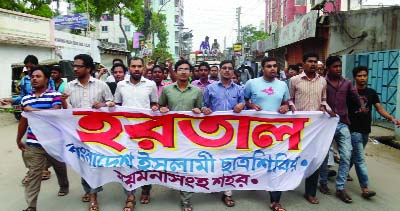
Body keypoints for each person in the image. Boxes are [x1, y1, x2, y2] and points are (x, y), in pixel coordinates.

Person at [61, 54, 114, 211]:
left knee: (94, 164)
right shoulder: (69, 86)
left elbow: (112, 104)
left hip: (98, 133)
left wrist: (103, 105)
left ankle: (93, 195)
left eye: (79, 66)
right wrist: (63, 101)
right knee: (83, 164)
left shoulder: (101, 85)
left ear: (89, 68)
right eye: (74, 66)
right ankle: (90, 191)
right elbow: (67, 111)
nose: (75, 69)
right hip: (77, 133)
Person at [17, 66, 69, 211]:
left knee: (60, 168)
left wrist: (33, 110)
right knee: (34, 174)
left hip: (54, 142)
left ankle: (64, 185)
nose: (34, 79)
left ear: (46, 79)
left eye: (38, 76)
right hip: (34, 143)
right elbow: (24, 120)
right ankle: (31, 206)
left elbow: (54, 112)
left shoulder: (54, 95)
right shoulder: (26, 99)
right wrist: (19, 138)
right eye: (32, 76)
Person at [243, 57, 290, 211]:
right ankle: (252, 181)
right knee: (254, 161)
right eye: (269, 66)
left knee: (276, 164)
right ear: (263, 69)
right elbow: (244, 100)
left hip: (277, 133)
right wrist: (251, 104)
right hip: (255, 132)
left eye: (275, 66)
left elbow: (286, 102)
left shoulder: (283, 85)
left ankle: (275, 200)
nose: (272, 69)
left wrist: (285, 107)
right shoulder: (252, 83)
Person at [348, 66, 400, 199]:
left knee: (355, 155)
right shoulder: (350, 92)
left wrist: (392, 119)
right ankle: (365, 188)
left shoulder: (371, 92)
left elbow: (379, 109)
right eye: (359, 76)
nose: (362, 78)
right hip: (354, 130)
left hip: (366, 130)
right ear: (355, 77)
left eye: (365, 75)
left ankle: (344, 171)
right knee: (360, 158)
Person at [289, 52, 334, 204]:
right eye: (310, 61)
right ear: (303, 63)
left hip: (315, 128)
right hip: (298, 127)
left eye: (315, 62)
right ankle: (288, 183)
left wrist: (327, 109)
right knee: (293, 157)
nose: (313, 64)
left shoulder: (322, 81)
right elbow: (290, 100)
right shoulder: (294, 80)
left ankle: (310, 192)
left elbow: (323, 101)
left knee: (313, 159)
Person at [114, 57, 158, 210]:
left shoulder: (150, 84)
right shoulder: (120, 85)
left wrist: (155, 107)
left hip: (146, 131)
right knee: (127, 163)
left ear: (143, 68)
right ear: (129, 68)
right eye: (134, 66)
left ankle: (146, 190)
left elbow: (154, 103)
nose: (137, 69)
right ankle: (130, 194)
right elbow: (117, 105)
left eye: (139, 66)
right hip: (126, 133)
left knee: (146, 162)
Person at [158, 60, 203, 211]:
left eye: (186, 69)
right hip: (171, 135)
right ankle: (174, 184)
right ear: (176, 72)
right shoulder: (167, 89)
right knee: (172, 165)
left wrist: (200, 111)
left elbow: (201, 110)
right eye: (180, 69)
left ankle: (186, 200)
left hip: (190, 136)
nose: (183, 72)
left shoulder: (197, 91)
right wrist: (162, 108)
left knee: (187, 167)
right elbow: (160, 106)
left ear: (191, 73)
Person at [318, 55, 363, 203]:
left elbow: (356, 97)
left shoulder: (347, 83)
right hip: (326, 123)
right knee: (324, 155)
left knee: (346, 154)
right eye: (334, 66)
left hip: (342, 122)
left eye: (339, 66)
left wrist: (362, 106)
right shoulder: (322, 82)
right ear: (328, 68)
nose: (338, 69)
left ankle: (340, 187)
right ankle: (323, 182)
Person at [202, 60, 245, 207]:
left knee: (230, 162)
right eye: (224, 68)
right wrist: (204, 110)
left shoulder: (239, 89)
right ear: (220, 71)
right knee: (215, 161)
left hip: (234, 132)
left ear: (233, 72)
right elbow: (204, 105)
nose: (227, 71)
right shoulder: (210, 88)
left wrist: (241, 105)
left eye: (230, 68)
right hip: (214, 132)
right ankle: (214, 185)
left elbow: (244, 105)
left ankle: (227, 193)